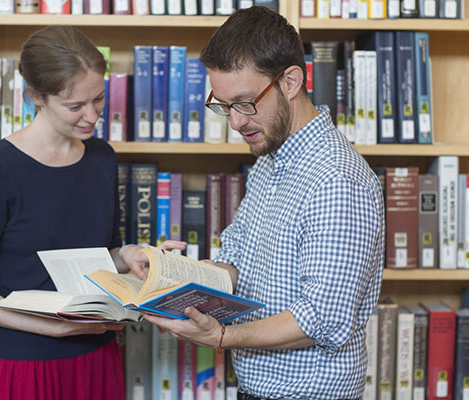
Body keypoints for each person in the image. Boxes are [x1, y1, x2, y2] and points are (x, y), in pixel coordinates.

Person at [142, 7, 385, 400]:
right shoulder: (271, 163)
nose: (235, 122)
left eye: (244, 103)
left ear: (290, 80)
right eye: (223, 105)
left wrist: (222, 336)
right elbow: (240, 265)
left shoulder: (336, 180)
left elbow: (320, 320)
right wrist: (171, 276)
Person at [0, 25, 184, 400]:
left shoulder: (102, 158)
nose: (91, 116)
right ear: (35, 97)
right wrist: (51, 329)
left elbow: (93, 255)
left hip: (95, 354)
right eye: (74, 106)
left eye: (99, 99)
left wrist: (130, 255)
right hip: (23, 364)